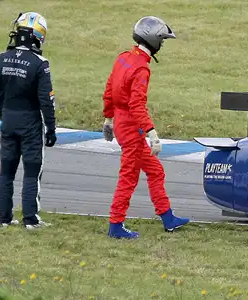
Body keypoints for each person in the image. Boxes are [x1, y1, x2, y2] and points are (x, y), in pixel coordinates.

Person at [100, 16, 189, 239]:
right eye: (162, 41)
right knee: (128, 177)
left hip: (121, 123)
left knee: (155, 171)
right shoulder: (141, 69)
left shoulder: (123, 58)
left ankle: (168, 218)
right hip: (131, 128)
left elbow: (110, 88)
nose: (162, 45)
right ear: (154, 40)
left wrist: (109, 118)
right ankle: (115, 225)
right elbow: (136, 105)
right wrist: (152, 133)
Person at [0, 11, 57, 229]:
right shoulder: (40, 63)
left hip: (8, 120)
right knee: (32, 171)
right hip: (30, 124)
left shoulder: (2, 58)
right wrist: (51, 128)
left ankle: (4, 218)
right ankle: (31, 219)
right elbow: (46, 101)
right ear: (37, 36)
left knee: (6, 171)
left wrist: (5, 116)